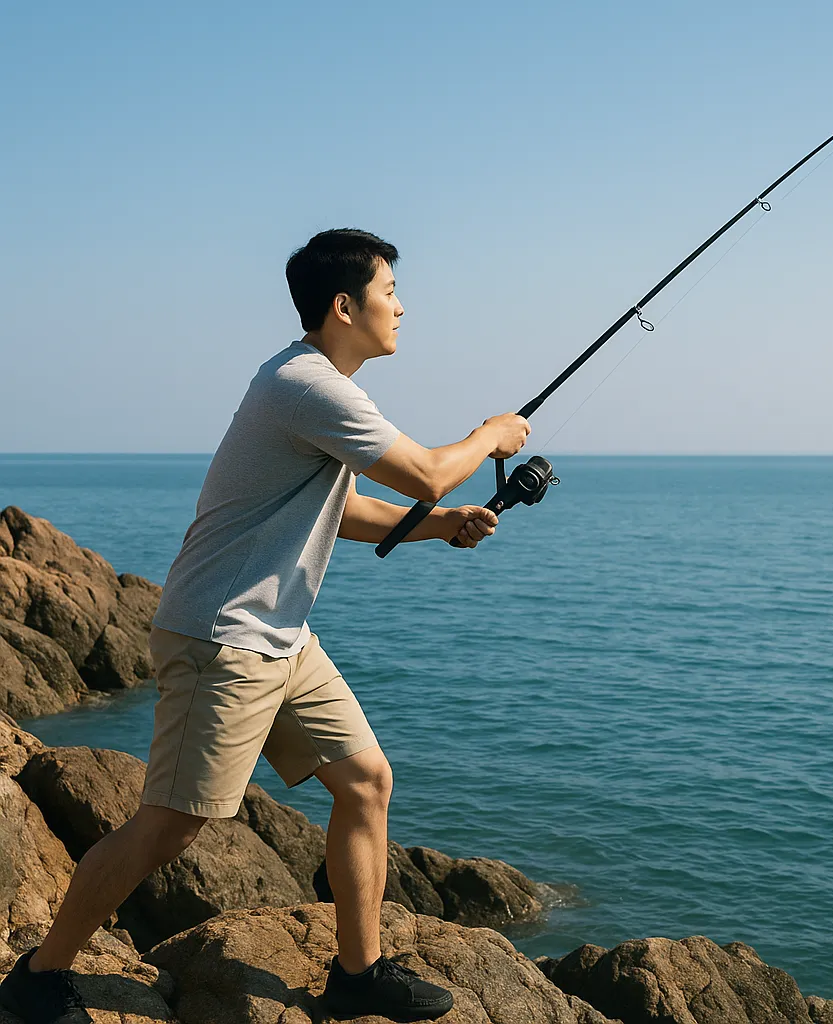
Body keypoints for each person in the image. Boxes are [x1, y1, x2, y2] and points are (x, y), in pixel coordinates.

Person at [0, 228, 530, 1023]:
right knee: (169, 828)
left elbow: (339, 506)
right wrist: (492, 434)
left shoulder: (318, 385)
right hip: (224, 637)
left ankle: (358, 972)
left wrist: (436, 524)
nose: (402, 307)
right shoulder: (305, 384)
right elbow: (423, 468)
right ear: (344, 305)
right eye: (390, 292)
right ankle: (39, 977)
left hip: (280, 636)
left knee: (366, 781)